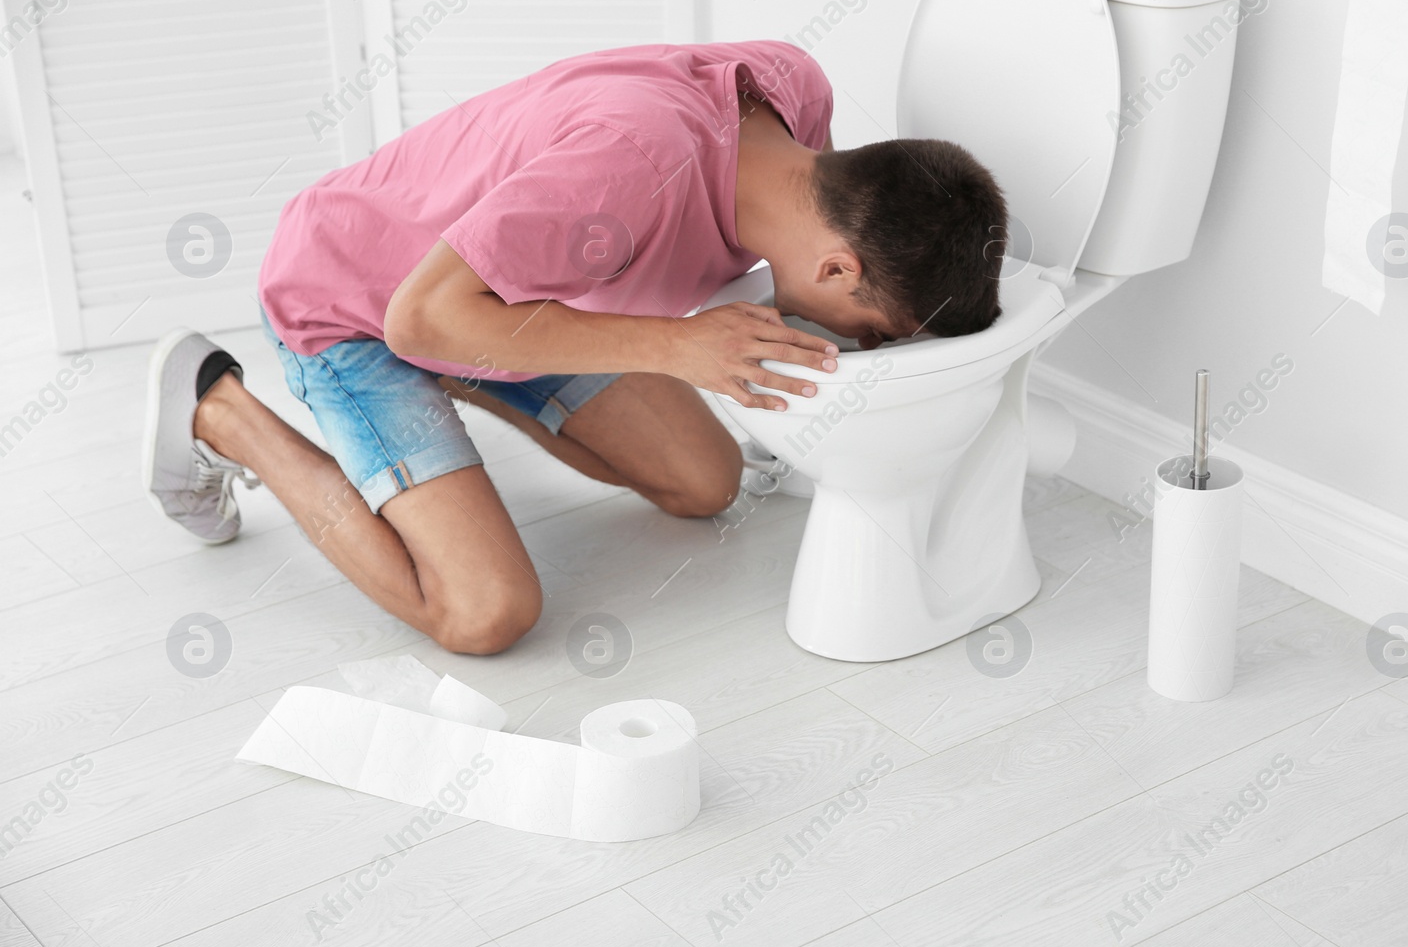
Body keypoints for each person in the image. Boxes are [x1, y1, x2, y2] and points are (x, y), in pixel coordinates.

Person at [142, 40, 1006, 655]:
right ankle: (219, 408)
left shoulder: (793, 95)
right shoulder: (625, 173)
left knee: (708, 482)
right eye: (875, 328)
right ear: (836, 263)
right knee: (486, 613)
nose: (858, 343)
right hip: (360, 299)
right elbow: (414, 316)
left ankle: (465, 365)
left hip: (510, 288)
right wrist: (678, 347)